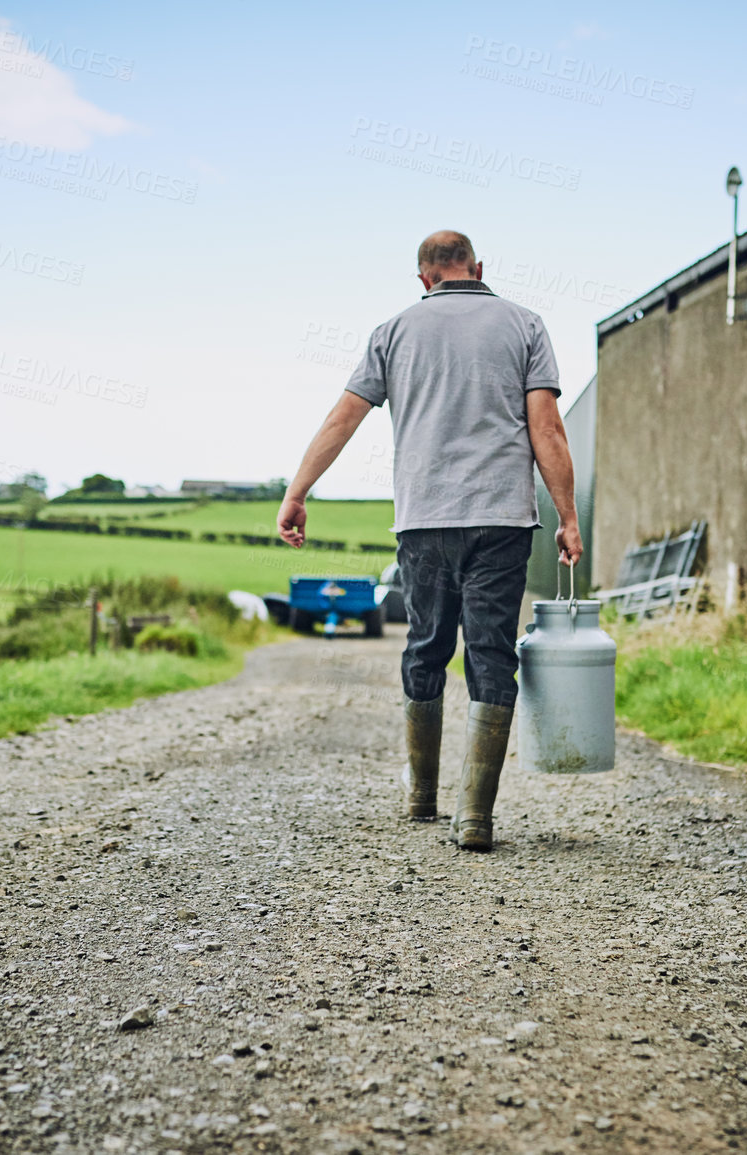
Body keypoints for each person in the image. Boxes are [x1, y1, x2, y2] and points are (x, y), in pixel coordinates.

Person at [276, 229, 582, 851]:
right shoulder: (525, 324)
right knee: (490, 653)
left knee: (425, 646)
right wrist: (568, 516)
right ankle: (475, 817)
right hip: (501, 518)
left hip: (422, 520)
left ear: (424, 279)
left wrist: (298, 491)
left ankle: (421, 797)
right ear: (477, 267)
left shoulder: (392, 332)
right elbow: (547, 427)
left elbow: (343, 417)